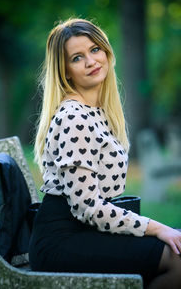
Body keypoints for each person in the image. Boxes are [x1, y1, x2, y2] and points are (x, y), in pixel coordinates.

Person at [29, 18, 181, 288]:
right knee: (177, 258)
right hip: (63, 242)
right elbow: (88, 208)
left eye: (95, 50)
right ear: (65, 72)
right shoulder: (73, 116)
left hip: (87, 232)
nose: (90, 61)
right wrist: (157, 227)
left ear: (107, 52)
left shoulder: (96, 111)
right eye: (77, 57)